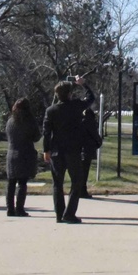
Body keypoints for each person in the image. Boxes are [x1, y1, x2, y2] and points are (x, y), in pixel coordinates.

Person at [43, 75, 95, 224]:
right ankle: (69, 213)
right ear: (69, 94)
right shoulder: (76, 106)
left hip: (56, 151)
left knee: (57, 184)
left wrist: (46, 150)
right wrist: (83, 84)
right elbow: (91, 98)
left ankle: (59, 214)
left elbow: (46, 132)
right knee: (77, 182)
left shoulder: (51, 110)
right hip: (73, 150)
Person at [6, 97, 41, 217]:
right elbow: (36, 137)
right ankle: (19, 208)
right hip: (25, 153)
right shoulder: (30, 121)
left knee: (11, 182)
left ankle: (10, 209)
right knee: (22, 182)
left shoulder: (10, 121)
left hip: (11, 153)